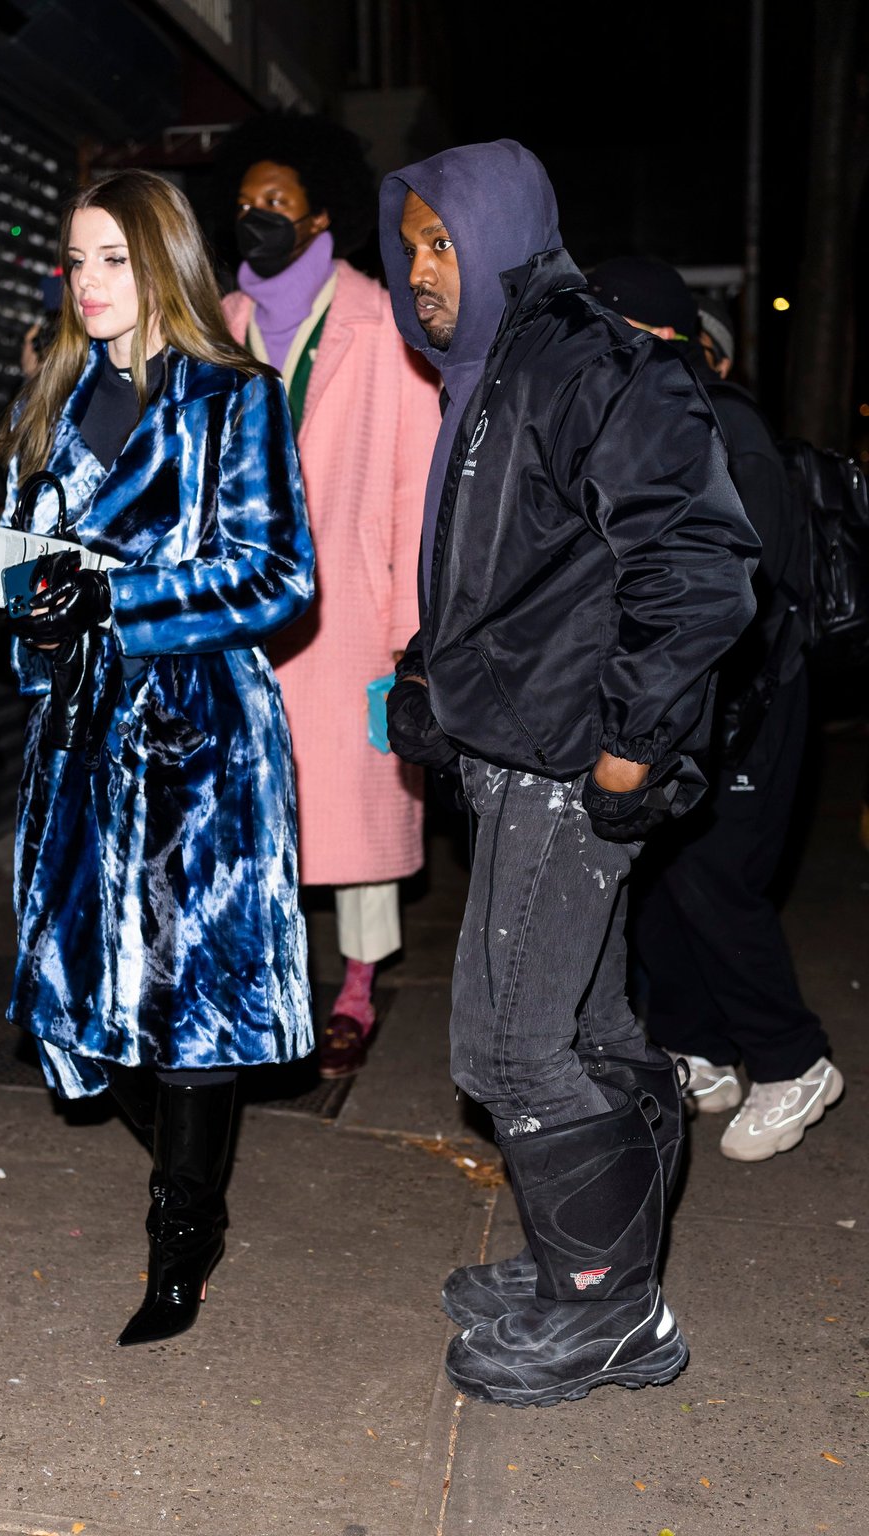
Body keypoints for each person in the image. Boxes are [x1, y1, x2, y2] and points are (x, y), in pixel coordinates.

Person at [377, 141, 760, 1409]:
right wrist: (436, 681)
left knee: (511, 1047)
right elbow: (517, 574)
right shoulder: (491, 372)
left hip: (566, 763)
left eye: (444, 244)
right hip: (520, 754)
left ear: (498, 235)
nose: (425, 271)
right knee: (592, 1032)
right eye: (415, 244)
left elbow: (697, 568)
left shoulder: (586, 357)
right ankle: (583, 1267)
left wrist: (626, 749)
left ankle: (610, 1315)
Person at [0, 169, 315, 1347]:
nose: (88, 284)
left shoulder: (233, 399)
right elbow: (28, 575)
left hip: (197, 743)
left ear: (163, 262)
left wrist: (116, 599)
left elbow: (278, 576)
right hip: (81, 738)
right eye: (75, 262)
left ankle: (180, 1242)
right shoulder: (52, 399)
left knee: (191, 1004)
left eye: (112, 260)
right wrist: (34, 617)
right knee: (72, 998)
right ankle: (198, 1182)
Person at [586, 255, 843, 1160]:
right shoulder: (652, 421)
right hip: (684, 700)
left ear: (658, 338)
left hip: (746, 702)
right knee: (659, 875)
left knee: (714, 883)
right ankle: (700, 1046)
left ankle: (793, 1060)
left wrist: (711, 713)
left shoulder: (723, 424)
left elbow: (751, 596)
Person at [213, 112, 441, 1079]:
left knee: (354, 807)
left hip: (348, 613)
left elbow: (410, 485)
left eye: (278, 202)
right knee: (254, 809)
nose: (256, 215)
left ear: (320, 219)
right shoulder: (220, 325)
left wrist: (408, 634)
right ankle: (269, 982)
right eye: (245, 202)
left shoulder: (379, 320)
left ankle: (354, 987)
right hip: (238, 610)